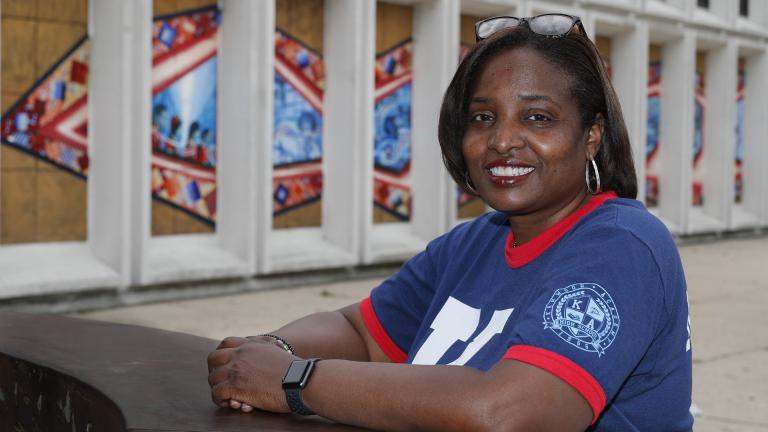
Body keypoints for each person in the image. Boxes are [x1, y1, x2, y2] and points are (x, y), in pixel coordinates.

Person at [207, 14, 693, 431]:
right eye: (483, 117)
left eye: (538, 118)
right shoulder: (474, 243)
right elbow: (359, 332)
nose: (503, 140)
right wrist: (266, 352)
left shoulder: (622, 246)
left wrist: (293, 379)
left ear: (591, 136)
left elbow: (510, 415)